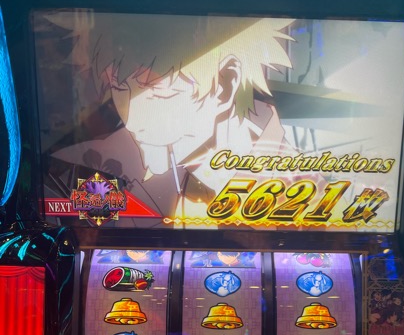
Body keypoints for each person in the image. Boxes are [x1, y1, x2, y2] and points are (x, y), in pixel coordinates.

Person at [43, 12, 295, 226]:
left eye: (157, 92)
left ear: (225, 83)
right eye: (119, 89)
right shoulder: (81, 167)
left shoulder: (297, 177)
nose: (133, 121)